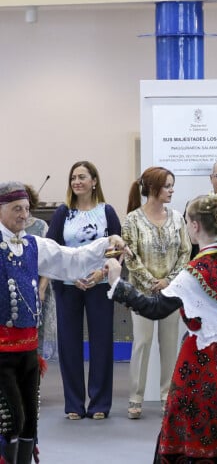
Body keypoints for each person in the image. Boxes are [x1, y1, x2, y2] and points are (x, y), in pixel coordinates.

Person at [104, 194, 217, 463]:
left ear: (196, 226)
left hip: (202, 361)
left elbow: (154, 308)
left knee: (202, 424)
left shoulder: (193, 272)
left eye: (187, 221)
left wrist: (118, 284)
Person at [0, 181, 126, 464]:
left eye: (27, 209)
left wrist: (107, 243)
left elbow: (72, 259)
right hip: (2, 353)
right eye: (16, 209)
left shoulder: (33, 244)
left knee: (30, 421)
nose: (24, 215)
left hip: (28, 352)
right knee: (10, 421)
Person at [46, 161, 121, 421]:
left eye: (82, 177)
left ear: (94, 181)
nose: (76, 182)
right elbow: (52, 251)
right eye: (73, 178)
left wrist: (101, 273)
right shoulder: (62, 213)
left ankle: (100, 403)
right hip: (69, 287)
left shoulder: (107, 211)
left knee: (101, 343)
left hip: (100, 286)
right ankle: (74, 404)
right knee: (69, 345)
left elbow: (117, 249)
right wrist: (71, 275)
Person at [122, 166, 191, 420]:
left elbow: (185, 253)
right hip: (141, 294)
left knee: (170, 345)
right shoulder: (132, 220)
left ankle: (168, 396)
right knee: (142, 344)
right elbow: (130, 258)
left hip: (171, 293)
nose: (172, 190)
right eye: (167, 186)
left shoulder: (177, 218)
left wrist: (169, 281)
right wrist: (152, 281)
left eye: (172, 185)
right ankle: (135, 397)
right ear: (152, 188)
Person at [23, 185, 56, 361]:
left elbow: (48, 261)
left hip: (38, 288)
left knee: (37, 335)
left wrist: (42, 289)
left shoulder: (40, 226)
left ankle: (34, 378)